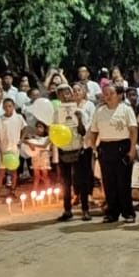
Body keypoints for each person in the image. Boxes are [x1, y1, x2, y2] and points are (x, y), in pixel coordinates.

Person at [89, 85, 138, 223]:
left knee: (123, 182)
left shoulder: (126, 109)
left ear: (119, 95)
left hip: (122, 146)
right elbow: (93, 131)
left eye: (111, 93)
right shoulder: (99, 112)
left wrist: (132, 149)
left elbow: (133, 130)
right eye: (105, 94)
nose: (108, 96)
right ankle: (112, 213)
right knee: (108, 182)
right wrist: (94, 147)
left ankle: (128, 213)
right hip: (105, 147)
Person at [53, 86, 94, 221]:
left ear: (71, 94)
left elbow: (84, 132)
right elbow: (54, 131)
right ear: (58, 96)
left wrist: (79, 120)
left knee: (82, 181)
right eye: (61, 94)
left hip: (78, 149)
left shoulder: (80, 111)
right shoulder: (56, 113)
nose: (64, 96)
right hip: (64, 149)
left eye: (67, 93)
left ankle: (85, 210)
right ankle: (67, 210)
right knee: (65, 182)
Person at [0, 99, 25, 197]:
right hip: (3, 150)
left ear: (13, 106)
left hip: (14, 149)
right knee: (1, 172)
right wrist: (1, 150)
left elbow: (25, 128)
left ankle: (12, 190)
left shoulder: (19, 117)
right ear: (3, 107)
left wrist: (21, 140)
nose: (7, 108)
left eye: (10, 106)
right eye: (5, 106)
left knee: (14, 171)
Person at [22, 121, 52, 195]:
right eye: (37, 127)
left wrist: (32, 144)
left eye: (40, 127)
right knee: (36, 176)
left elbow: (44, 146)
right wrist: (28, 142)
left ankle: (49, 193)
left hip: (44, 157)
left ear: (44, 129)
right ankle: (34, 193)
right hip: (35, 157)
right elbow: (24, 141)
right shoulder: (34, 137)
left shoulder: (48, 138)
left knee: (45, 176)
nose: (38, 129)